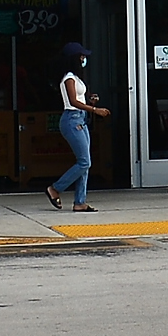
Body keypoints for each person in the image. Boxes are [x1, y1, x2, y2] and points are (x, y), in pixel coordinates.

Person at [46, 42, 98, 212]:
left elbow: (79, 99)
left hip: (80, 119)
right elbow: (73, 101)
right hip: (72, 120)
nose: (84, 59)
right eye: (81, 57)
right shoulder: (68, 78)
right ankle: (55, 189)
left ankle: (80, 202)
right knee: (84, 162)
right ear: (74, 59)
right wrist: (95, 109)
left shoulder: (75, 78)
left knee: (85, 162)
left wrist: (90, 100)